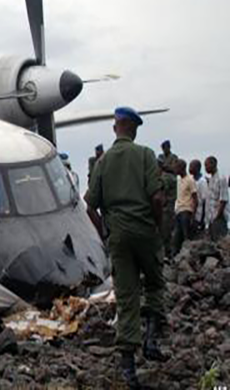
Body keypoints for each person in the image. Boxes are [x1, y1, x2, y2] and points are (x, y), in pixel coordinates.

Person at [85, 107, 167, 389]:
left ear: (115, 128)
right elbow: (156, 198)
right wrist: (156, 228)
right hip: (144, 230)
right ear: (133, 128)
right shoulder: (144, 154)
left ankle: (129, 370)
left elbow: (89, 206)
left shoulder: (102, 162)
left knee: (127, 295)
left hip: (117, 235)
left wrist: (105, 234)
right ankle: (152, 338)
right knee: (156, 283)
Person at [172, 159, 197, 256]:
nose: (174, 169)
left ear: (181, 168)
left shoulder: (190, 180)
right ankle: (175, 258)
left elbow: (195, 198)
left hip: (186, 211)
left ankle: (188, 256)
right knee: (176, 237)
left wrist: (193, 216)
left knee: (186, 236)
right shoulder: (179, 181)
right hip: (179, 211)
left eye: (176, 167)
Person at [203, 156, 228, 241]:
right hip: (211, 218)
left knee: (221, 243)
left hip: (219, 217)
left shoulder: (221, 178)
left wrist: (217, 216)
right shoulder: (211, 179)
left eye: (206, 165)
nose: (205, 168)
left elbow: (223, 199)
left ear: (213, 164)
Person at [159, 161, 177, 258]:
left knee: (165, 233)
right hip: (172, 207)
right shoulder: (171, 177)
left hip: (167, 208)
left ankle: (167, 255)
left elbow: (162, 194)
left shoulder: (165, 178)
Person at [190, 159, 208, 235]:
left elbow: (204, 201)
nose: (189, 168)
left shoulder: (202, 181)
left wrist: (202, 219)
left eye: (191, 166)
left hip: (198, 215)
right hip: (191, 213)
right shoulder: (190, 180)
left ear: (197, 168)